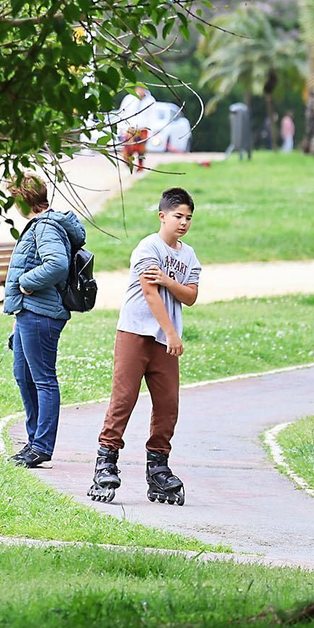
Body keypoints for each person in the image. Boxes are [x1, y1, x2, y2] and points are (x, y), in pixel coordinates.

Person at [87, 187, 201, 505]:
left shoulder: (188, 255)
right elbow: (150, 294)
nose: (183, 223)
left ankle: (158, 468)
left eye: (189, 218)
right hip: (136, 334)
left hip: (165, 342)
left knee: (167, 405)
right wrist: (172, 333)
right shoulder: (147, 247)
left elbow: (190, 296)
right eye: (178, 216)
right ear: (162, 215)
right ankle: (106, 462)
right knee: (124, 399)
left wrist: (168, 281)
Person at [2, 175, 87, 469]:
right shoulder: (42, 225)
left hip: (42, 314)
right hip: (29, 313)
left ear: (22, 199)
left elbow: (57, 264)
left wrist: (26, 282)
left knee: (43, 380)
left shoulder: (46, 226)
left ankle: (41, 446)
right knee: (22, 375)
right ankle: (33, 441)